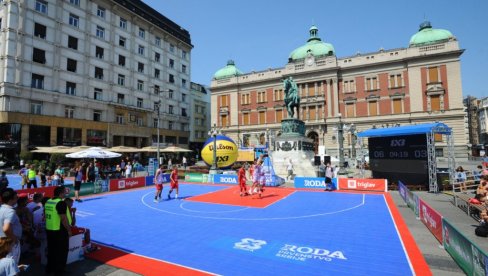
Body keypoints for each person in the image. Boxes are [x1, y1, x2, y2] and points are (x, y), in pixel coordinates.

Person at [45, 186, 72, 275]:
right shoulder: (60, 203)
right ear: (61, 193)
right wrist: (68, 230)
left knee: (51, 250)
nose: (65, 193)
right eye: (64, 192)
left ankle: (50, 268)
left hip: (49, 230)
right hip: (59, 231)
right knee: (62, 252)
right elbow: (63, 218)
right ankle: (59, 271)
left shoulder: (48, 201)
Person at [0, 188, 22, 264]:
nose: (17, 200)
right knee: (12, 266)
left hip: (3, 242)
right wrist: (14, 239)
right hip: (10, 244)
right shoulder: (10, 211)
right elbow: (6, 228)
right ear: (11, 200)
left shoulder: (1, 209)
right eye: (16, 198)